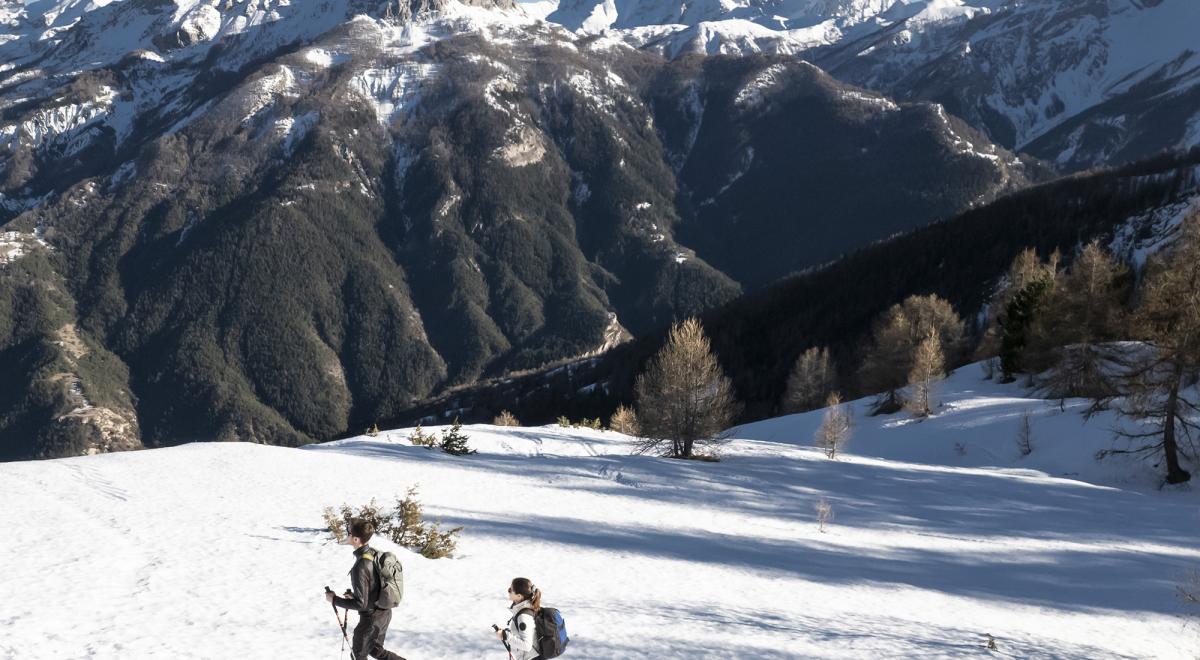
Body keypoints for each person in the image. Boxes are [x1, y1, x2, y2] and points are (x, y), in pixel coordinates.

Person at [324, 519, 406, 660]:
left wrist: (334, 600)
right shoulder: (373, 554)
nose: (347, 535)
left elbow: (361, 604)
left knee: (358, 656)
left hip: (371, 620)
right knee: (375, 650)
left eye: (348, 533)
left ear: (356, 539)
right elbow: (374, 586)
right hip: (384, 613)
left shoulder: (361, 565)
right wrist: (354, 595)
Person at [494, 577, 541, 660]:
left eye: (510, 590)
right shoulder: (525, 608)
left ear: (519, 596)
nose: (508, 591)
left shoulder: (523, 616)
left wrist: (506, 636)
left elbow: (526, 646)